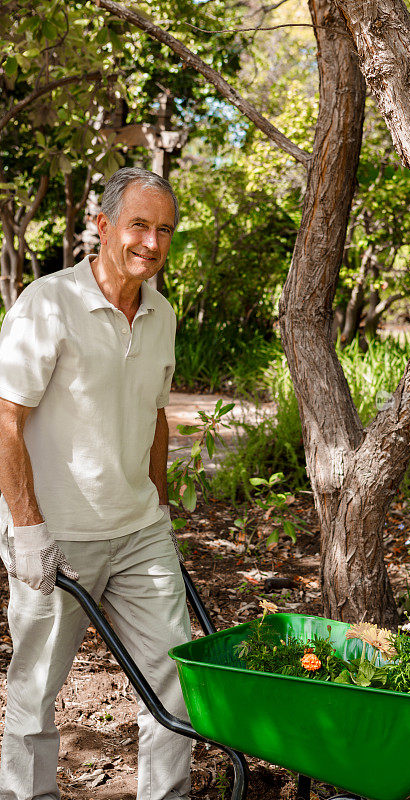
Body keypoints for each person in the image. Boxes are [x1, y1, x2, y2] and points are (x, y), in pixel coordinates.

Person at [0, 168, 192, 800]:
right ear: (105, 227)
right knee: (35, 695)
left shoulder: (161, 312)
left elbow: (155, 416)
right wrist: (27, 530)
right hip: (58, 538)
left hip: (139, 535)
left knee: (177, 684)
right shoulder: (48, 303)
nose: (152, 243)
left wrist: (158, 504)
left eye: (164, 229)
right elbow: (7, 418)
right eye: (138, 225)